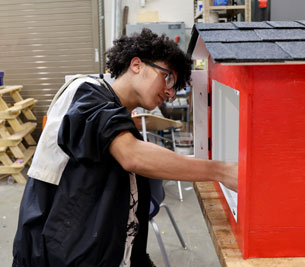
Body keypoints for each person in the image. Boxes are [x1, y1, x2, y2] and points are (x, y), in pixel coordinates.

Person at [12, 28, 237, 267]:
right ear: (137, 65)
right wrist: (221, 171)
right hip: (51, 256)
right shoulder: (84, 93)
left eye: (175, 88)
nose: (170, 92)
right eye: (168, 77)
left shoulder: (120, 118)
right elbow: (131, 155)